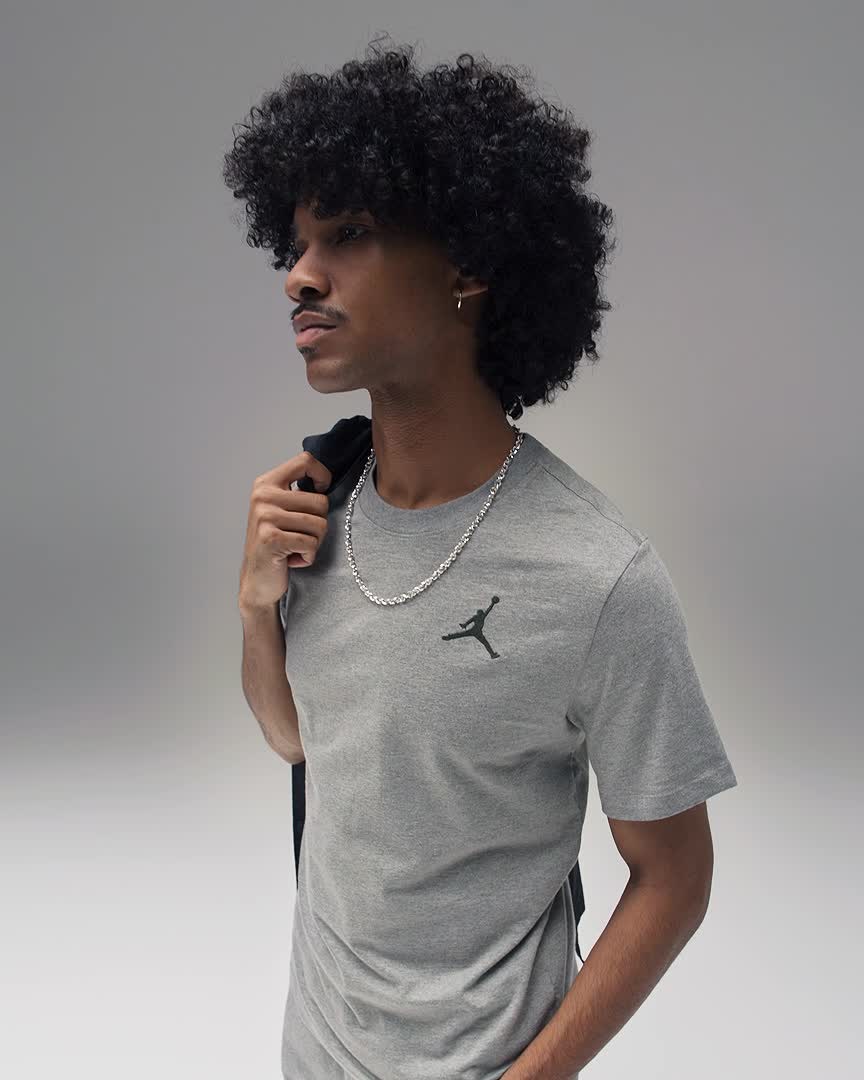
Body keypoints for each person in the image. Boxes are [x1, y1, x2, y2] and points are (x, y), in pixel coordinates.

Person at [227, 34, 738, 1080]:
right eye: (299, 241)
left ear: (467, 266)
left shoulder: (600, 579)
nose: (299, 276)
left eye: (349, 234)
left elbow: (676, 879)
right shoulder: (319, 507)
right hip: (312, 1054)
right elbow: (299, 741)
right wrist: (253, 610)